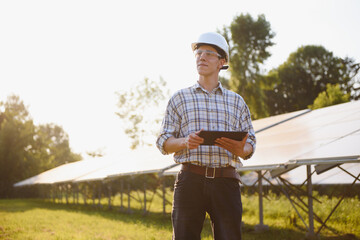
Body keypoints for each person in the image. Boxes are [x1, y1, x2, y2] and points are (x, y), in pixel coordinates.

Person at [156, 32, 256, 240]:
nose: (201, 57)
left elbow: (251, 143)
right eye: (198, 53)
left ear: (222, 62)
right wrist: (185, 142)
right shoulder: (179, 98)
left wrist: (241, 149)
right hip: (190, 180)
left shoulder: (236, 101)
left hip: (226, 181)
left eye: (208, 54)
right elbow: (163, 141)